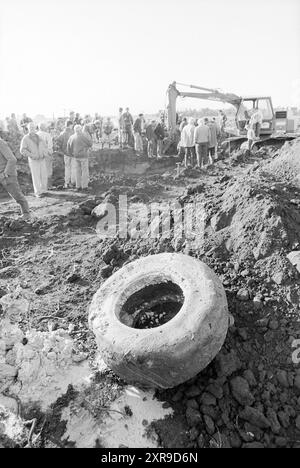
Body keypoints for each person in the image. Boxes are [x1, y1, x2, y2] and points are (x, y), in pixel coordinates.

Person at [0, 137, 30, 219]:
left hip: (7, 175)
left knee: (17, 195)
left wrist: (5, 173)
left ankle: (26, 214)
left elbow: (12, 159)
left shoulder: (1, 143)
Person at [20, 122, 48, 198]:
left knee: (43, 175)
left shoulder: (39, 137)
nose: (32, 129)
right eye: (30, 128)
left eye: (33, 127)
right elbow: (22, 150)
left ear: (35, 128)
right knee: (36, 176)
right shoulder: (25, 138)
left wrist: (44, 154)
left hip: (42, 159)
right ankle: (38, 192)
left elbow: (45, 146)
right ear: (28, 129)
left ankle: (44, 190)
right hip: (34, 160)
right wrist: (32, 155)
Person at [67, 124, 93, 191]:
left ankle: (78, 186)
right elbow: (90, 144)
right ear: (80, 129)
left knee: (77, 171)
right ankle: (84, 186)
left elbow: (68, 147)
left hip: (76, 156)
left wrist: (71, 154)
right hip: (83, 156)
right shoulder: (82, 136)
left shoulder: (71, 137)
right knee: (84, 171)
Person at [56, 120, 75, 188]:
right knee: (73, 168)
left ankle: (66, 183)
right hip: (73, 153)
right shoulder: (73, 133)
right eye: (72, 125)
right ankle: (72, 182)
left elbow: (58, 143)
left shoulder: (62, 133)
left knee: (67, 168)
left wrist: (62, 150)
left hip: (66, 153)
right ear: (70, 125)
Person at [37, 123, 53, 189]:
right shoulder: (47, 135)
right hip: (46, 154)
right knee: (48, 170)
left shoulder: (36, 135)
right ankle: (48, 186)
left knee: (39, 170)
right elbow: (50, 145)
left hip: (38, 155)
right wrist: (50, 153)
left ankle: (41, 186)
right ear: (44, 127)